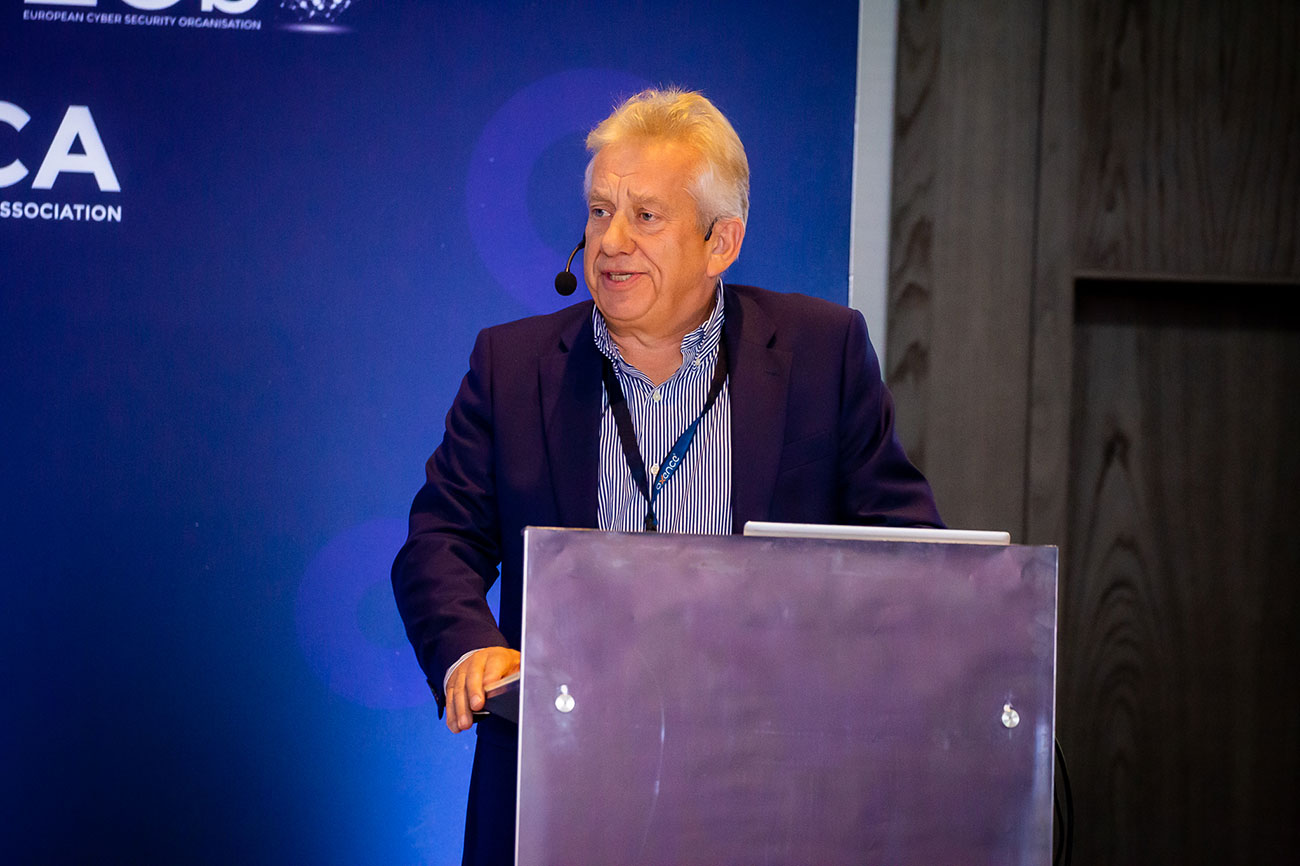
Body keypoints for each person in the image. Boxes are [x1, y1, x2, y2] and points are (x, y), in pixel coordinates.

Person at [392, 88, 942, 865]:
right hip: (560, 788)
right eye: (599, 212)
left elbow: (910, 555)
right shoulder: (512, 366)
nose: (610, 242)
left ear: (722, 243)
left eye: (645, 216)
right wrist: (469, 649)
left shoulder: (824, 354)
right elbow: (439, 540)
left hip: (769, 794)